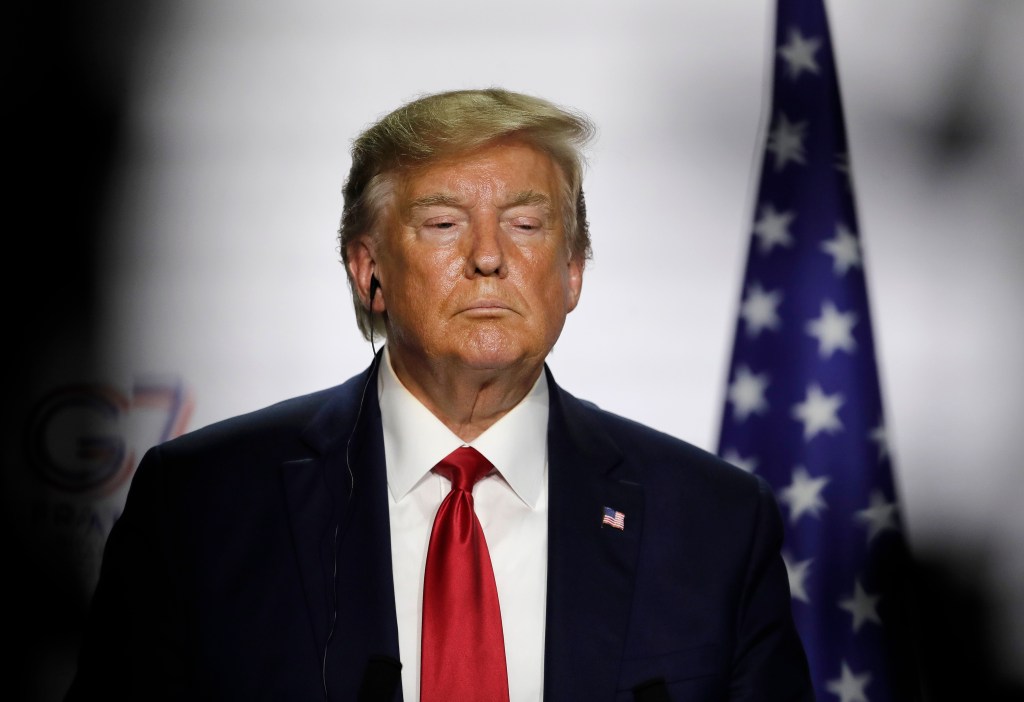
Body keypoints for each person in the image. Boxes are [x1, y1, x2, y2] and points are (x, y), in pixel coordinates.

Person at [64, 88, 813, 702]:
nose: (489, 257)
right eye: (444, 223)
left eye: (526, 223)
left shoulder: (714, 525)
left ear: (573, 271)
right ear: (369, 270)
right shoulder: (200, 505)